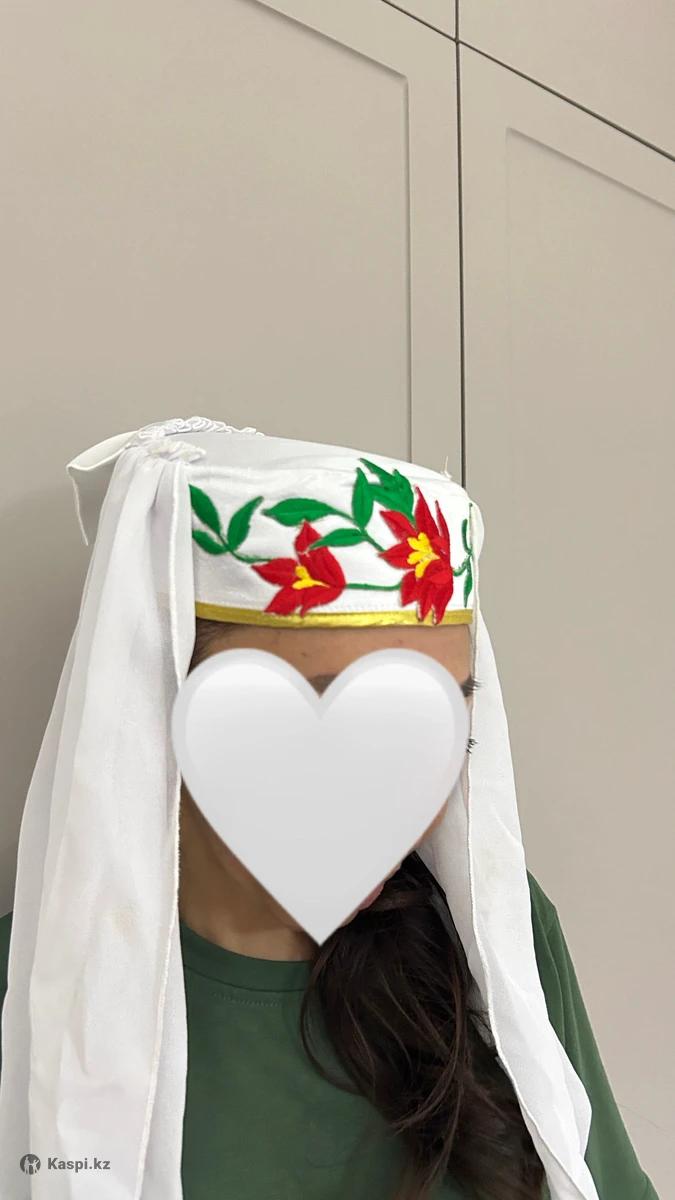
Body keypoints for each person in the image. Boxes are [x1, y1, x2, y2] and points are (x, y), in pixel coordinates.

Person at [0, 416, 659, 1200]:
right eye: (314, 714)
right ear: (159, 701)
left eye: (430, 725)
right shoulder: (28, 991)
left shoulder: (494, 936)